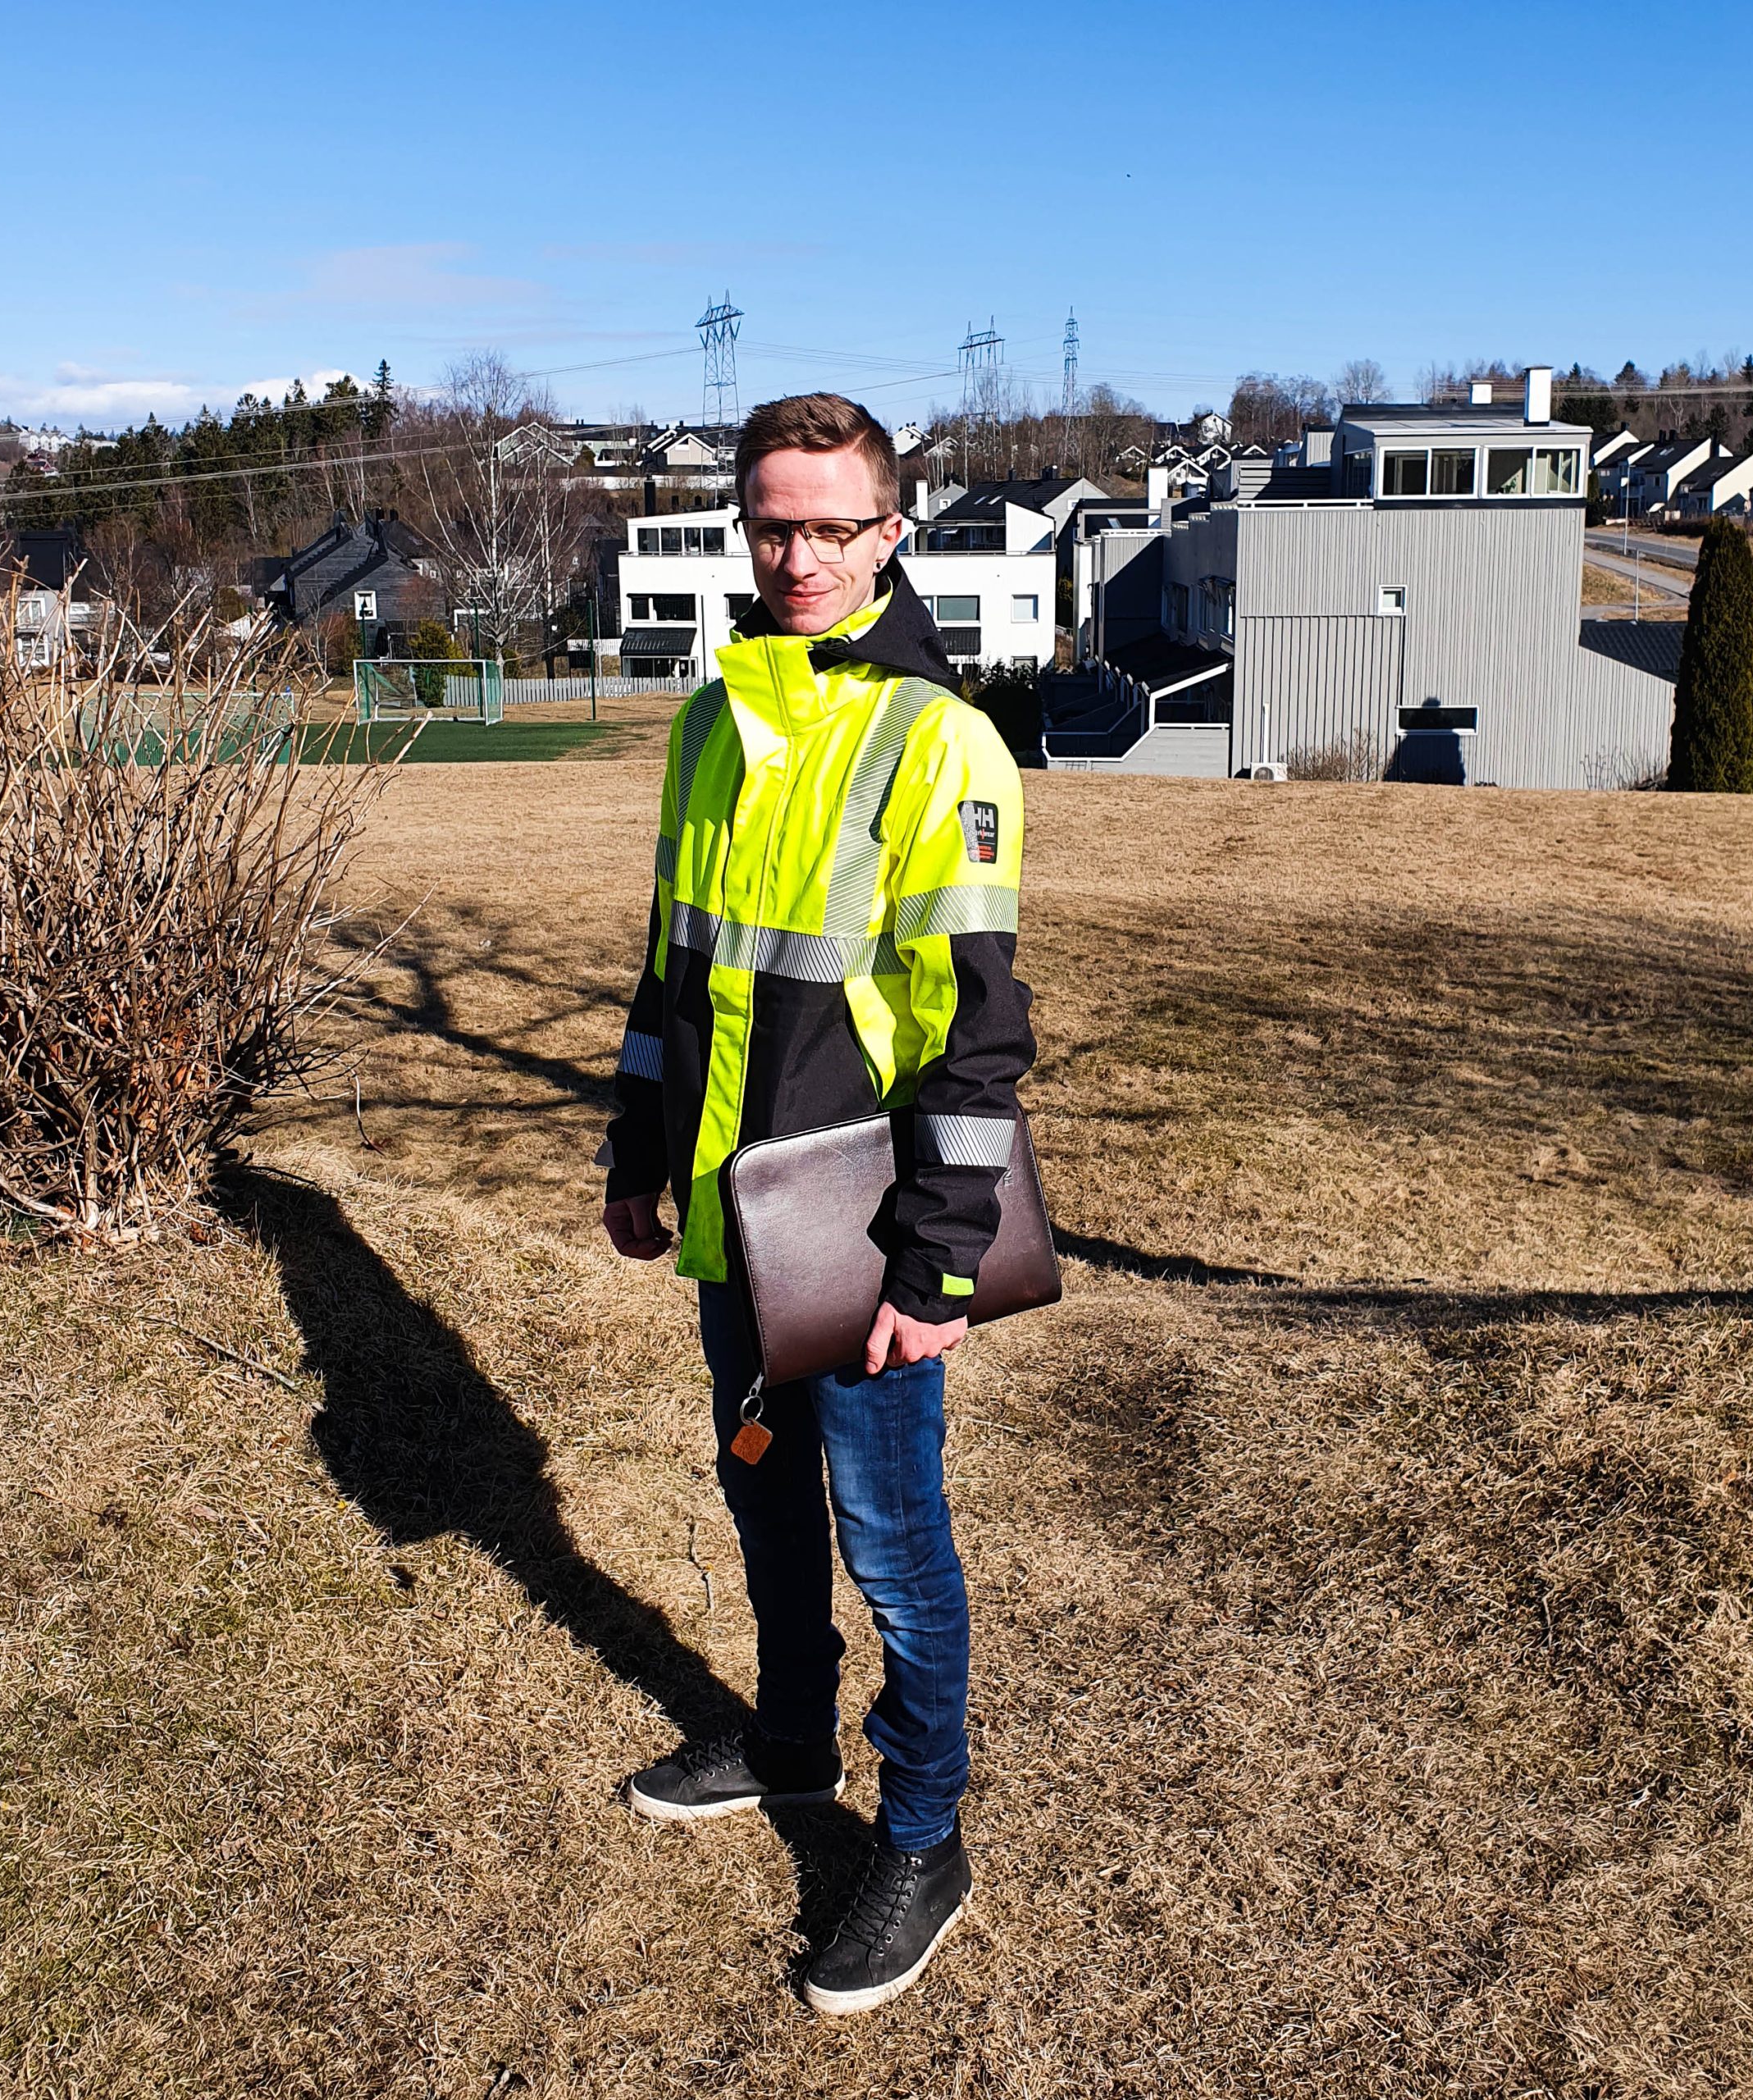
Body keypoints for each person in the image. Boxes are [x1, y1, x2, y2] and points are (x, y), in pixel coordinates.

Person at [599, 393, 1035, 2016]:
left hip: (859, 1234)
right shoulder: (716, 719)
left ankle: (918, 1834)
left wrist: (936, 1262)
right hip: (730, 1209)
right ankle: (788, 1736)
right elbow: (671, 970)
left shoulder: (938, 742)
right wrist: (634, 1154)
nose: (798, 555)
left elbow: (973, 1035)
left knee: (894, 1544)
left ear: (891, 533)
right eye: (772, 523)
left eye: (833, 525)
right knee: (759, 1492)